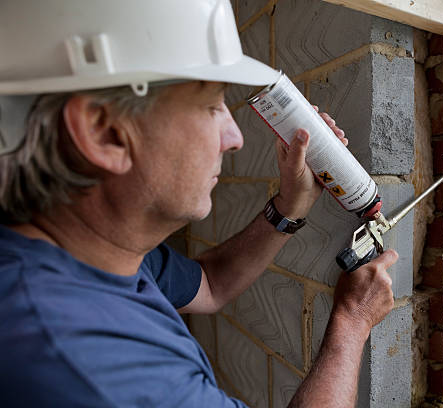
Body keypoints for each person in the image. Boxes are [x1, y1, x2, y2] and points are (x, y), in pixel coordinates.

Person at [0, 0, 398, 406]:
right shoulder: (90, 364)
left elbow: (208, 286)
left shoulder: (85, 252)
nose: (235, 138)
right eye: (211, 106)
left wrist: (290, 206)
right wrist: (351, 324)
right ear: (105, 133)